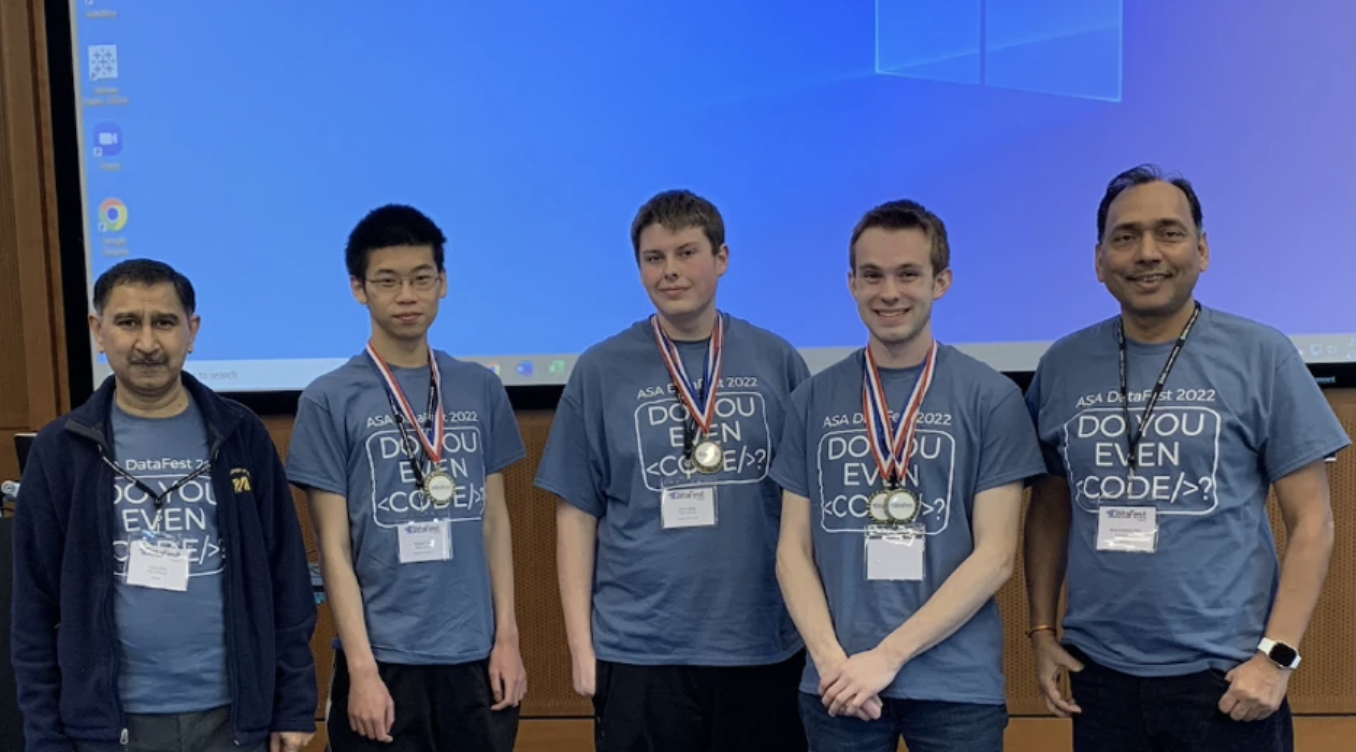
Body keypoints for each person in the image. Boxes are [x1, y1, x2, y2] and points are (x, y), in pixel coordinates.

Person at [1023, 164, 1350, 752]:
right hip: (1097, 674)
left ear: (1201, 250)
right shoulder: (1062, 365)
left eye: (1169, 233)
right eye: (1125, 237)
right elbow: (1049, 507)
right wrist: (1043, 631)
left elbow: (1313, 522)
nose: (1147, 253)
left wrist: (1275, 658)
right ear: (1099, 260)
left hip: (1225, 678)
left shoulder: (1262, 354)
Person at [535, 189, 811, 752]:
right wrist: (581, 648)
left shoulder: (775, 359)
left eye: (687, 253)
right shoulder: (601, 369)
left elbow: (806, 510)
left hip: (761, 644)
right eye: (654, 258)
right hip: (639, 650)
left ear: (722, 258)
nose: (671, 272)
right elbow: (576, 515)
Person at [770, 199, 1045, 752]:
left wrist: (887, 657)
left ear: (941, 282)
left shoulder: (990, 398)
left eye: (908, 274)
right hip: (837, 684)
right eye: (872, 275)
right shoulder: (812, 400)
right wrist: (834, 663)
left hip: (956, 689)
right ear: (851, 284)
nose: (888, 292)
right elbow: (792, 551)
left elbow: (995, 557)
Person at [10, 259, 318, 752]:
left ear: (192, 332)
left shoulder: (240, 436)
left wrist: (295, 704)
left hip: (234, 718)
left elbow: (287, 579)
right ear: (98, 330)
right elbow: (33, 609)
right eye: (128, 322)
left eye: (165, 323)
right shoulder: (61, 450)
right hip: (111, 726)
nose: (148, 343)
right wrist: (44, 735)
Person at [287, 204, 527, 752]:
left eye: (422, 279)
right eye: (387, 281)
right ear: (358, 289)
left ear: (443, 283)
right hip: (385, 661)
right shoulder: (328, 399)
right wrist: (364, 671)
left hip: (477, 656)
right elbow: (334, 545)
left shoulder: (478, 388)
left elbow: (494, 521)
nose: (407, 295)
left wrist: (507, 639)